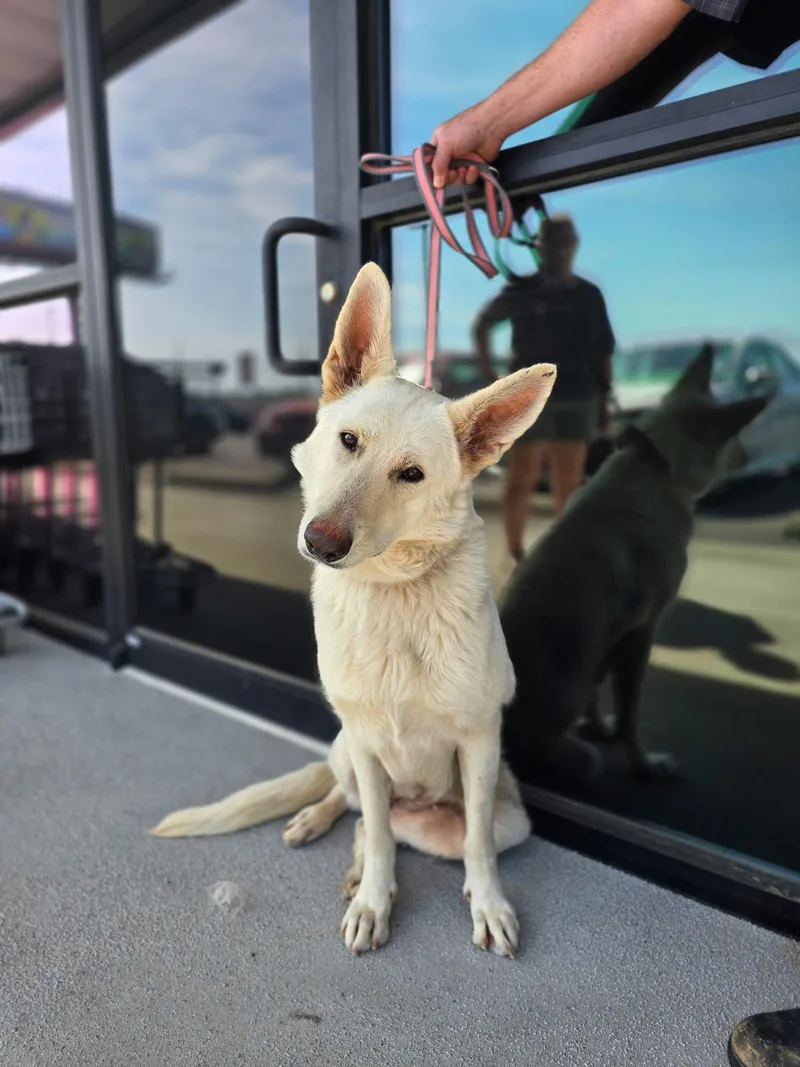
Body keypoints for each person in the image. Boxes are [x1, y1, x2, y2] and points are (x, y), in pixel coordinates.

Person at [429, 1, 800, 1063]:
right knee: (522, 517)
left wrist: (505, 123)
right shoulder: (542, 294)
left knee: (548, 522)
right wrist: (509, 138)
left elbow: (672, 25)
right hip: (552, 416)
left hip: (579, 411)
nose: (562, 242)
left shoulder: (585, 296)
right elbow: (670, 21)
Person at [472, 213, 613, 561]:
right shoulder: (523, 290)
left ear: (574, 245)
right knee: (522, 478)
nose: (560, 248)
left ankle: (564, 553)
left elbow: (603, 352)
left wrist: (604, 403)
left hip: (578, 395)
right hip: (530, 399)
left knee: (569, 482)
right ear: (540, 246)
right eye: (553, 241)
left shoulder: (588, 294)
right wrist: (492, 375)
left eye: (566, 240)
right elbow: (483, 325)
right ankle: (517, 552)